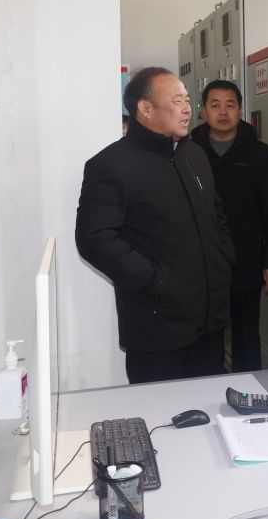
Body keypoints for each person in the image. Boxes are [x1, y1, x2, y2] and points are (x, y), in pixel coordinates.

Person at [76, 67, 235, 384]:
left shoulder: (194, 154)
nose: (187, 109)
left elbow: (215, 213)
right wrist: (155, 280)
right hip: (157, 329)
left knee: (207, 405)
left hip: (209, 323)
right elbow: (94, 239)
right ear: (145, 108)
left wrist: (224, 259)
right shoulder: (111, 165)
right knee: (159, 411)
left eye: (188, 100)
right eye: (177, 101)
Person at [190, 80, 268, 372]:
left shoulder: (260, 154)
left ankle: (248, 391)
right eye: (215, 105)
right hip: (201, 264)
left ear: (240, 110)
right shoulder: (188, 152)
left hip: (246, 262)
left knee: (246, 337)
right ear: (203, 111)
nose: (223, 112)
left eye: (230, 105)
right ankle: (209, 392)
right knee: (205, 339)